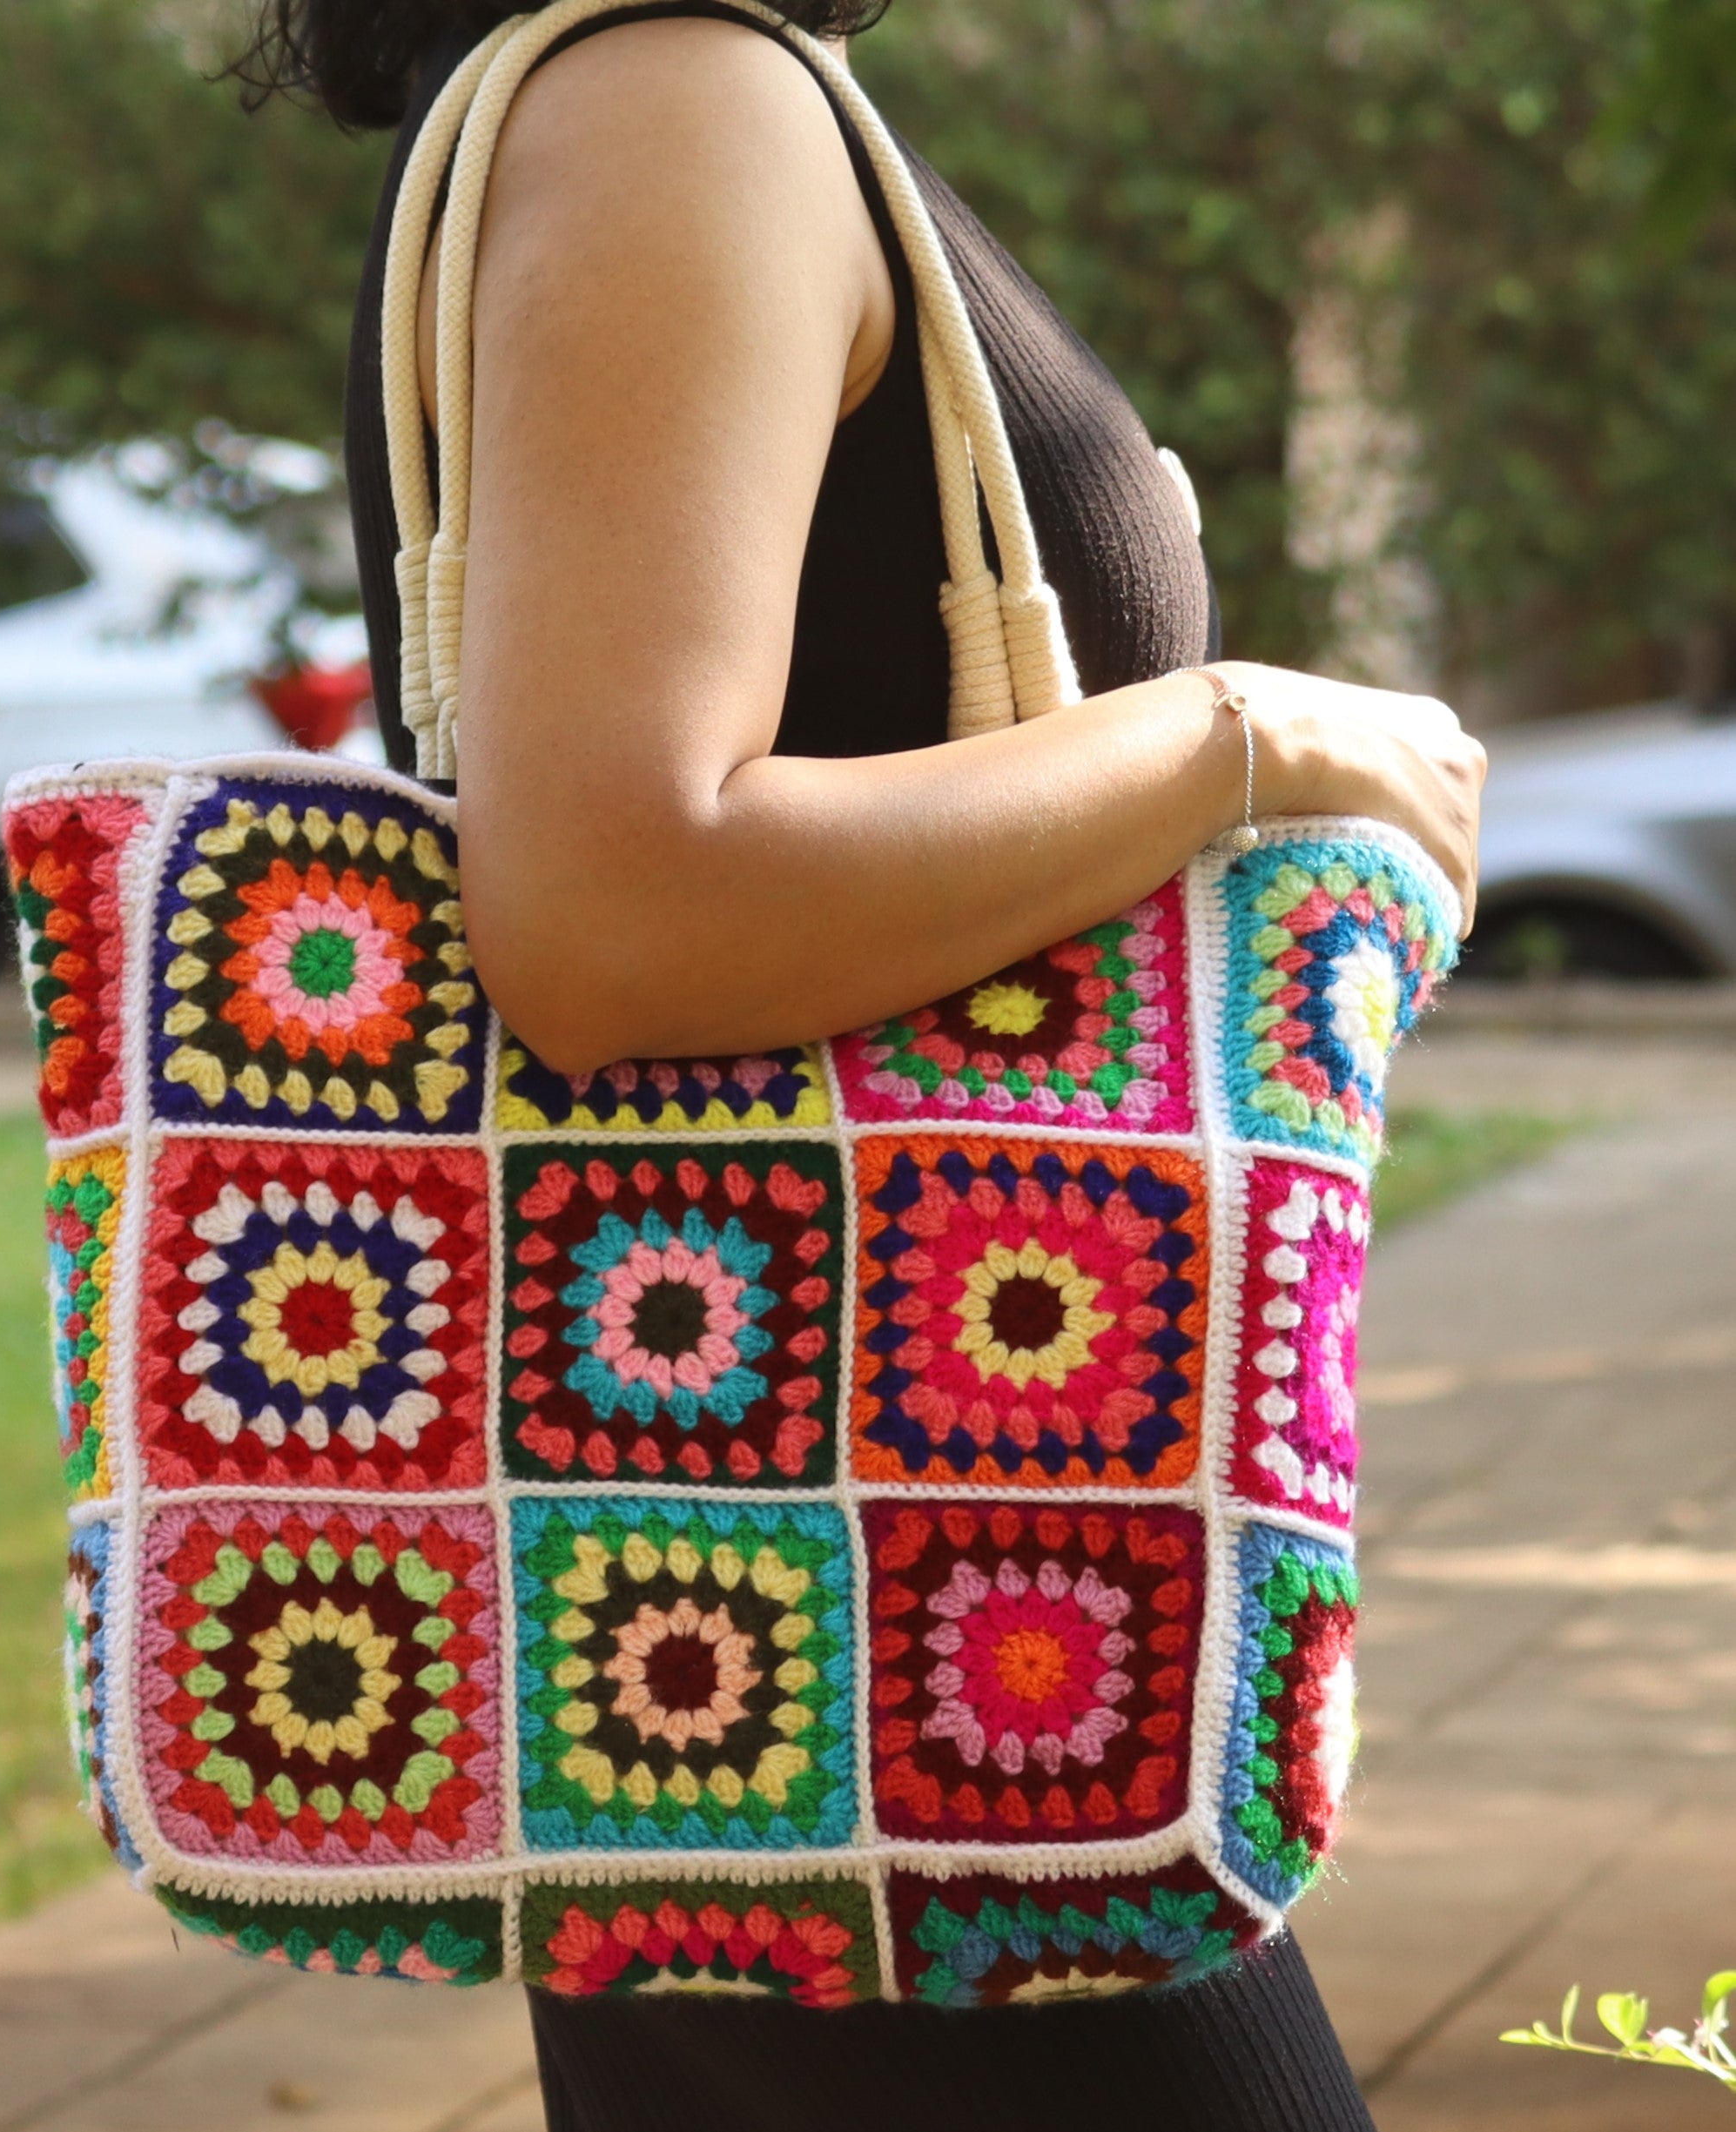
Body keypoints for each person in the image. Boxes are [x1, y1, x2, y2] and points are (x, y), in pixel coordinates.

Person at [236, 3, 1487, 2127]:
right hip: (875, 1593)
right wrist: (1247, 735)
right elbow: (616, 903)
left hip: (763, 1577)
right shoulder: (665, 97)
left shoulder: (664, 89)